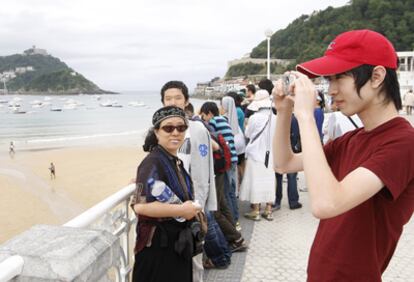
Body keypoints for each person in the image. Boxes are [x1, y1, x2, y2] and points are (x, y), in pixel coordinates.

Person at [273, 29, 414, 281]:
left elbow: (326, 204)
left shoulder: (404, 142)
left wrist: (306, 115)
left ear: (377, 76)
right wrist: (284, 112)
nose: (331, 90)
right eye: (329, 80)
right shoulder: (350, 140)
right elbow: (284, 163)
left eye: (339, 78)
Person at [131, 106, 202, 282]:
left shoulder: (173, 160)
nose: (175, 132)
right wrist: (181, 211)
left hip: (175, 245)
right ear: (157, 132)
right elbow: (140, 206)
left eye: (181, 127)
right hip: (158, 249)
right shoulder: (153, 162)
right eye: (168, 128)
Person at [160, 81, 217, 282]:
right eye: (168, 99)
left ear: (186, 102)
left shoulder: (196, 130)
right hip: (166, 207)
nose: (173, 102)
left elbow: (203, 172)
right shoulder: (160, 129)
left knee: (193, 260)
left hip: (190, 206)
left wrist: (199, 204)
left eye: (177, 98)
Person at [199, 102, 240, 229]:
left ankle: (234, 221)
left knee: (225, 192)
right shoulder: (223, 119)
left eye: (203, 116)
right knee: (231, 191)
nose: (203, 118)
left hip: (225, 160)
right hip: (233, 157)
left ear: (209, 114)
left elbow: (211, 139)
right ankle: (236, 218)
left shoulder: (213, 122)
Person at [239, 89, 276, 221]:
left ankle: (256, 210)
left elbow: (248, 134)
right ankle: (269, 210)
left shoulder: (254, 118)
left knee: (255, 181)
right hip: (270, 155)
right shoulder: (275, 118)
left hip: (256, 154)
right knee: (269, 181)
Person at [274, 114, 302, 210]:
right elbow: (296, 135)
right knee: (292, 176)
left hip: (278, 150)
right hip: (290, 150)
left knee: (278, 176)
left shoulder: (276, 118)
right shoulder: (294, 118)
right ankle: (293, 201)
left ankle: (277, 201)